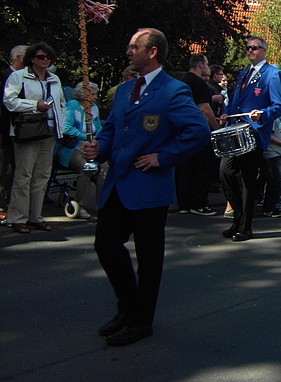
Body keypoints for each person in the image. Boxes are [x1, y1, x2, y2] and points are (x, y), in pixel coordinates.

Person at [83, 28, 210, 346]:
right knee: (106, 245)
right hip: (119, 182)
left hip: (150, 187)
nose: (128, 51)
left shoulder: (173, 91)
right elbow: (112, 128)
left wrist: (163, 157)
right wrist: (99, 146)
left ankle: (141, 321)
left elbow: (196, 130)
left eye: (133, 46)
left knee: (149, 256)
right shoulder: (125, 90)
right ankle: (127, 307)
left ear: (152, 51)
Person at [219, 36, 281, 242]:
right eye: (247, 48)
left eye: (254, 48)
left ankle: (245, 227)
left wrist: (262, 114)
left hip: (253, 134)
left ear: (264, 50)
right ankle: (238, 216)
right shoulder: (242, 74)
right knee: (225, 172)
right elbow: (235, 103)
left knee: (247, 180)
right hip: (235, 131)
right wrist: (225, 113)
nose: (250, 51)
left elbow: (278, 106)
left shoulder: (273, 74)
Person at [3, 42, 67, 234]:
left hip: (49, 132)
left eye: (48, 57)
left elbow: (61, 104)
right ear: (32, 59)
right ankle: (17, 217)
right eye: (41, 57)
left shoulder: (54, 79)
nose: (45, 60)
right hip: (28, 131)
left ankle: (35, 216)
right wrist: (34, 105)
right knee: (24, 175)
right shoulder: (18, 76)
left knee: (42, 176)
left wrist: (60, 128)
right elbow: (9, 101)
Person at [175, 54, 219, 216]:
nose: (208, 67)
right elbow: (204, 109)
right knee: (202, 167)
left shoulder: (182, 81)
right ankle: (199, 203)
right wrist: (216, 129)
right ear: (201, 65)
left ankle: (184, 203)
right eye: (207, 64)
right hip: (199, 131)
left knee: (185, 168)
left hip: (182, 130)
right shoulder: (198, 82)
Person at [57, 81, 106, 218]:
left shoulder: (94, 108)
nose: (96, 97)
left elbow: (99, 128)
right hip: (73, 148)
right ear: (84, 94)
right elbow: (67, 128)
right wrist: (87, 137)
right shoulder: (73, 106)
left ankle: (102, 204)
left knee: (105, 168)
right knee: (87, 168)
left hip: (91, 147)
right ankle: (81, 204)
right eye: (93, 94)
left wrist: (98, 139)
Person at [1, 44, 27, 213]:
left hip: (21, 132)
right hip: (4, 132)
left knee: (16, 171)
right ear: (18, 58)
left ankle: (11, 205)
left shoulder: (29, 78)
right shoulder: (4, 76)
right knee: (4, 170)